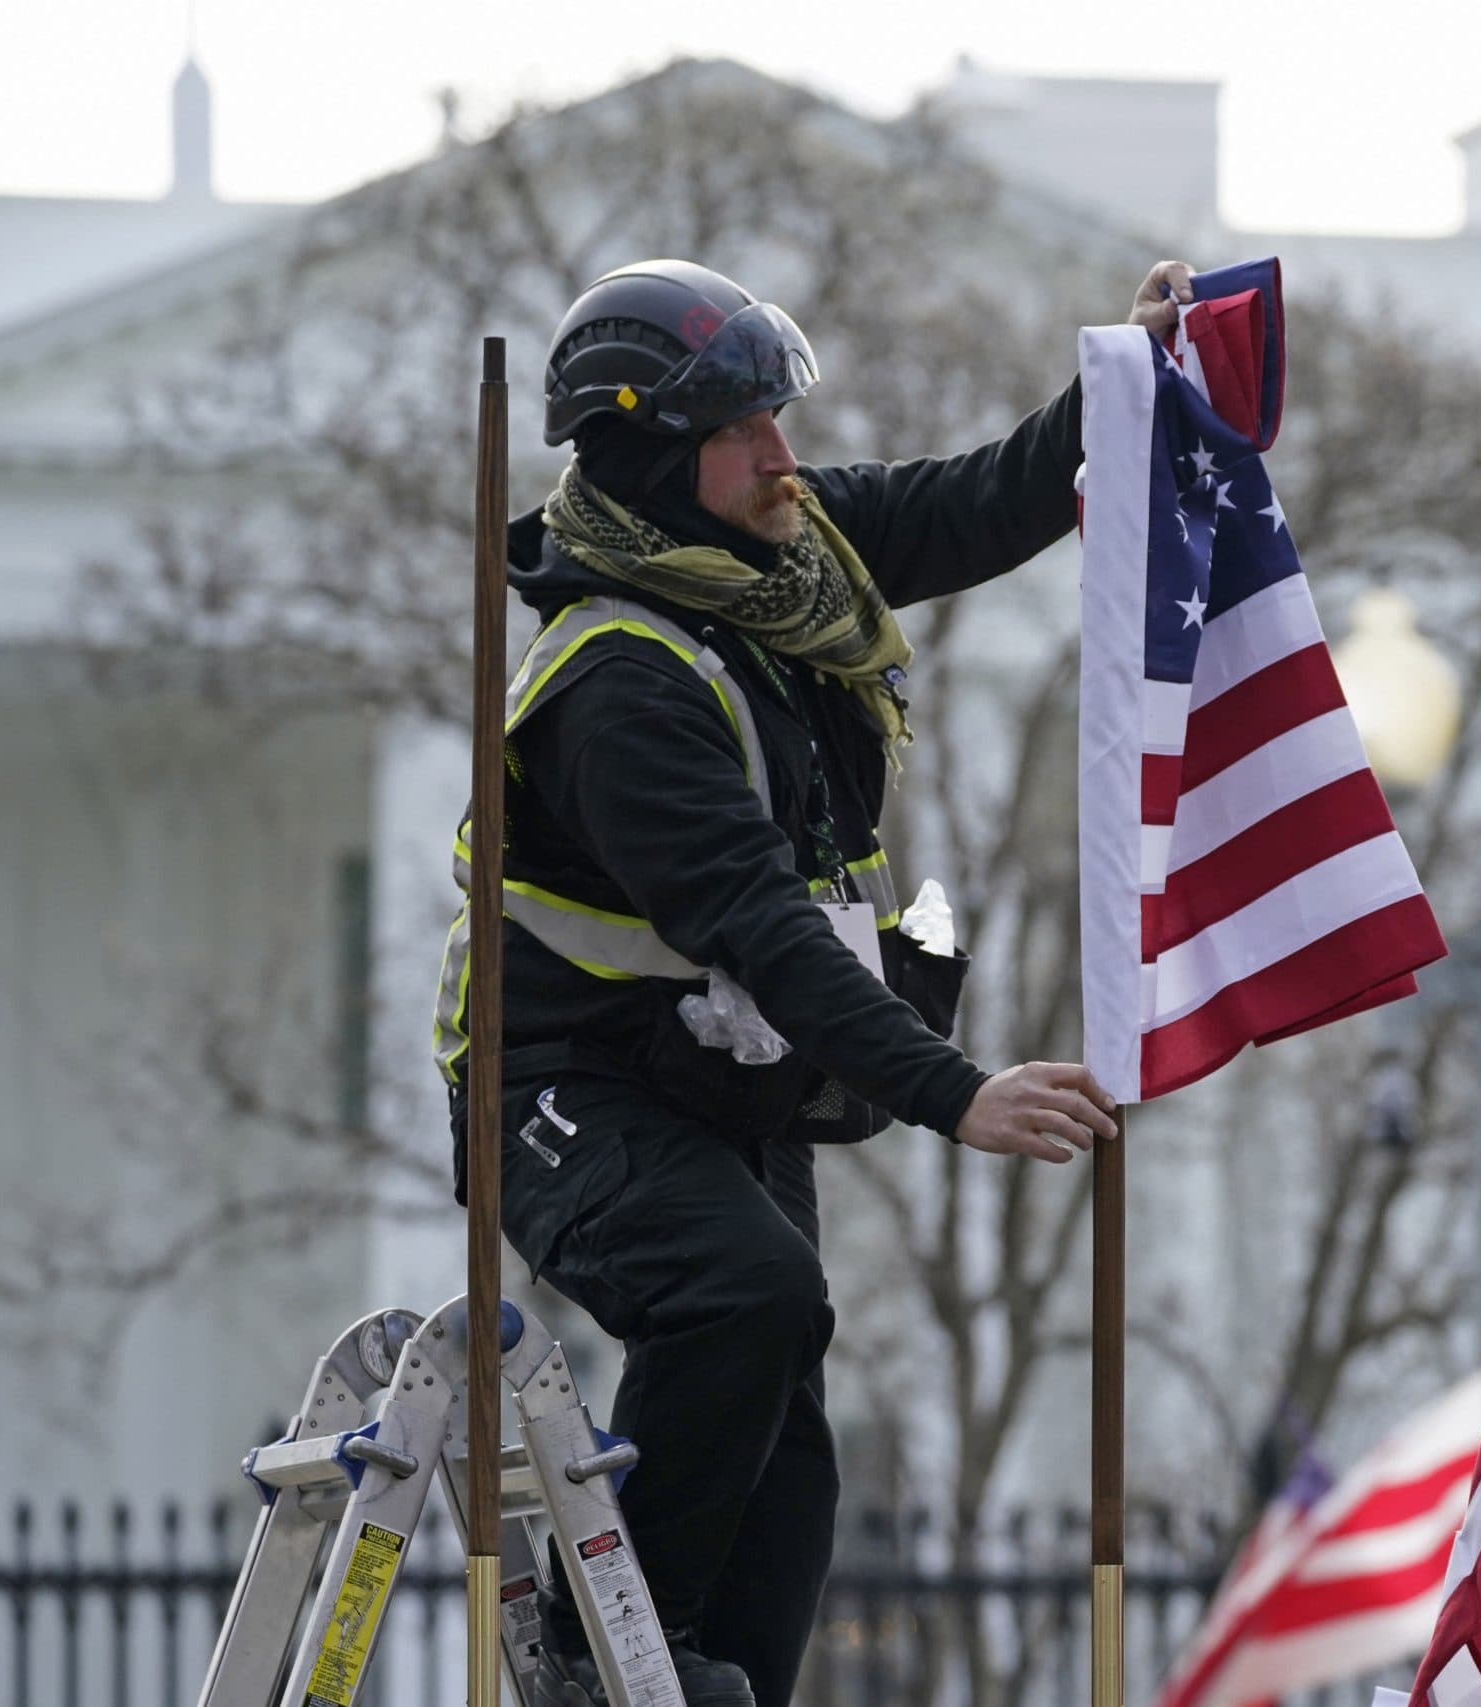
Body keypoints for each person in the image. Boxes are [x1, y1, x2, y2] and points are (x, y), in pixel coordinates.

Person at [434, 255, 1197, 1705]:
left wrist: (1126, 381)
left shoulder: (780, 558)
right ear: (657, 457)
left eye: (784, 425)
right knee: (746, 1289)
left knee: (790, 1446)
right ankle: (605, 1664)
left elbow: (976, 498)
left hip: (720, 1080)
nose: (787, 459)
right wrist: (951, 1093)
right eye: (747, 435)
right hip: (555, 1087)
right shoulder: (617, 684)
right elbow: (762, 924)